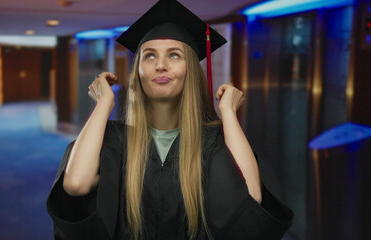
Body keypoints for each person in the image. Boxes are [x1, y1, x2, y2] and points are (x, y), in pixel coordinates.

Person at [47, 0, 293, 239]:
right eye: (150, 56)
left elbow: (251, 199)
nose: (161, 65)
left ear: (191, 69)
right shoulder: (114, 137)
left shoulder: (213, 140)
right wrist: (103, 104)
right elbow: (76, 185)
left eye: (174, 55)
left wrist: (228, 113)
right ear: (138, 71)